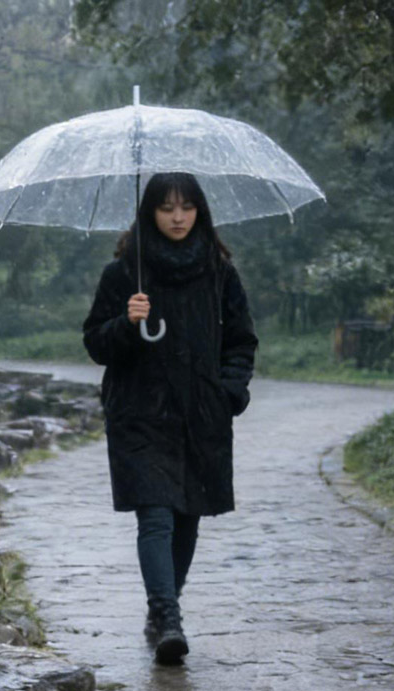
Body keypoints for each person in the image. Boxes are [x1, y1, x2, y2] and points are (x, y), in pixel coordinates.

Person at [81, 171, 258, 665]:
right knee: (155, 514)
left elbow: (241, 341)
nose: (177, 217)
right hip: (139, 413)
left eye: (187, 207)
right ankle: (168, 617)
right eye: (166, 208)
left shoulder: (220, 273)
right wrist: (126, 323)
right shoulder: (123, 275)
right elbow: (96, 343)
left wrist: (229, 392)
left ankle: (163, 612)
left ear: (200, 210)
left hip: (201, 413)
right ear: (150, 213)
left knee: (187, 516)